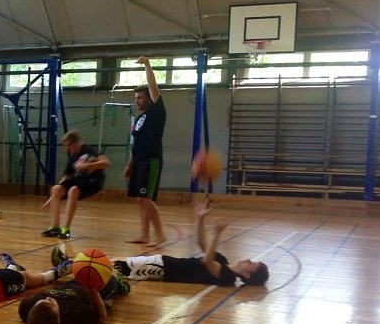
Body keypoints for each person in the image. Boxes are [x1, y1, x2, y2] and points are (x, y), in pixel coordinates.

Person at [113, 201, 269, 287]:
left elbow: (206, 261)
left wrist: (217, 233)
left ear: (246, 275)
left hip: (163, 269)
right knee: (117, 263)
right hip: (165, 263)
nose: (248, 260)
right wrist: (200, 219)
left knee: (116, 265)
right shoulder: (223, 261)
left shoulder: (227, 278)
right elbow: (202, 243)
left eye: (251, 265)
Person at [124, 56, 167, 247]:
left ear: (150, 98)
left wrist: (148, 65)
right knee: (141, 199)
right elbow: (136, 143)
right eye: (135, 98)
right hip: (140, 160)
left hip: (151, 160)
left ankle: (160, 235)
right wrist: (130, 164)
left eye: (140, 97)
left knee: (146, 198)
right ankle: (144, 235)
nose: (137, 101)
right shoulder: (141, 118)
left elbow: (153, 87)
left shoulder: (157, 112)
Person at [41, 130, 110, 239]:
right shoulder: (72, 156)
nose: (66, 149)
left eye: (68, 145)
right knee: (56, 189)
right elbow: (66, 176)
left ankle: (66, 229)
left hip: (93, 181)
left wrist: (88, 165)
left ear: (75, 142)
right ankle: (55, 228)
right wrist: (53, 196)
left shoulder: (89, 150)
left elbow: (106, 163)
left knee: (73, 190)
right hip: (78, 180)